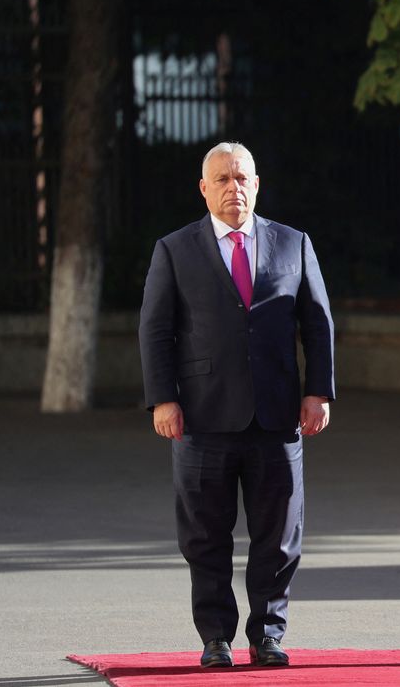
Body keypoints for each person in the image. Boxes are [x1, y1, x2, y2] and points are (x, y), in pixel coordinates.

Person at [138, 142, 335, 669]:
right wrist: (163, 399)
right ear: (204, 189)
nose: (234, 187)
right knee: (205, 536)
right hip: (202, 417)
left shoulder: (293, 244)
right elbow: (155, 331)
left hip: (278, 416)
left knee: (279, 535)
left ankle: (268, 634)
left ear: (257, 182)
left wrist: (318, 391)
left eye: (242, 177)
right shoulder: (175, 250)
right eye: (222, 179)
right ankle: (216, 637)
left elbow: (316, 323)